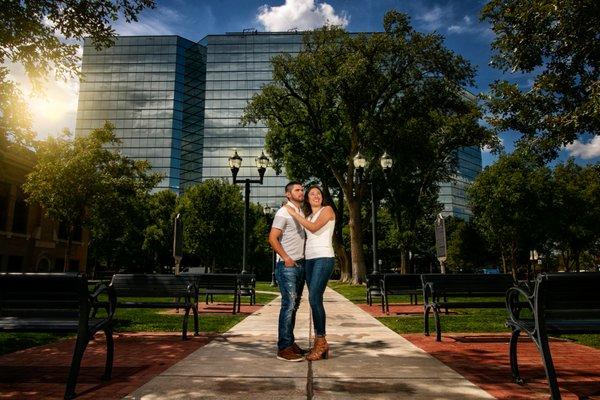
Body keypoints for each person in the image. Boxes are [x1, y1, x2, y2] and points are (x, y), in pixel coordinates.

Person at [285, 185, 335, 361]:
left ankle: (321, 342)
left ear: (322, 197)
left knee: (314, 298)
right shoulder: (307, 216)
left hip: (324, 258)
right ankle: (318, 343)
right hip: (309, 261)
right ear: (307, 198)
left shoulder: (327, 210)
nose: (316, 196)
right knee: (313, 299)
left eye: (319, 193)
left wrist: (292, 213)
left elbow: (313, 228)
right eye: (312, 194)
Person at [268, 181, 307, 362]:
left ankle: (290, 342)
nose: (302, 192)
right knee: (288, 305)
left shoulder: (299, 212)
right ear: (288, 194)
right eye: (297, 190)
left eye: (302, 189)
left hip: (299, 265)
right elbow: (272, 238)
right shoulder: (283, 212)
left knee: (294, 306)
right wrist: (286, 258)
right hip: (287, 266)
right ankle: (283, 348)